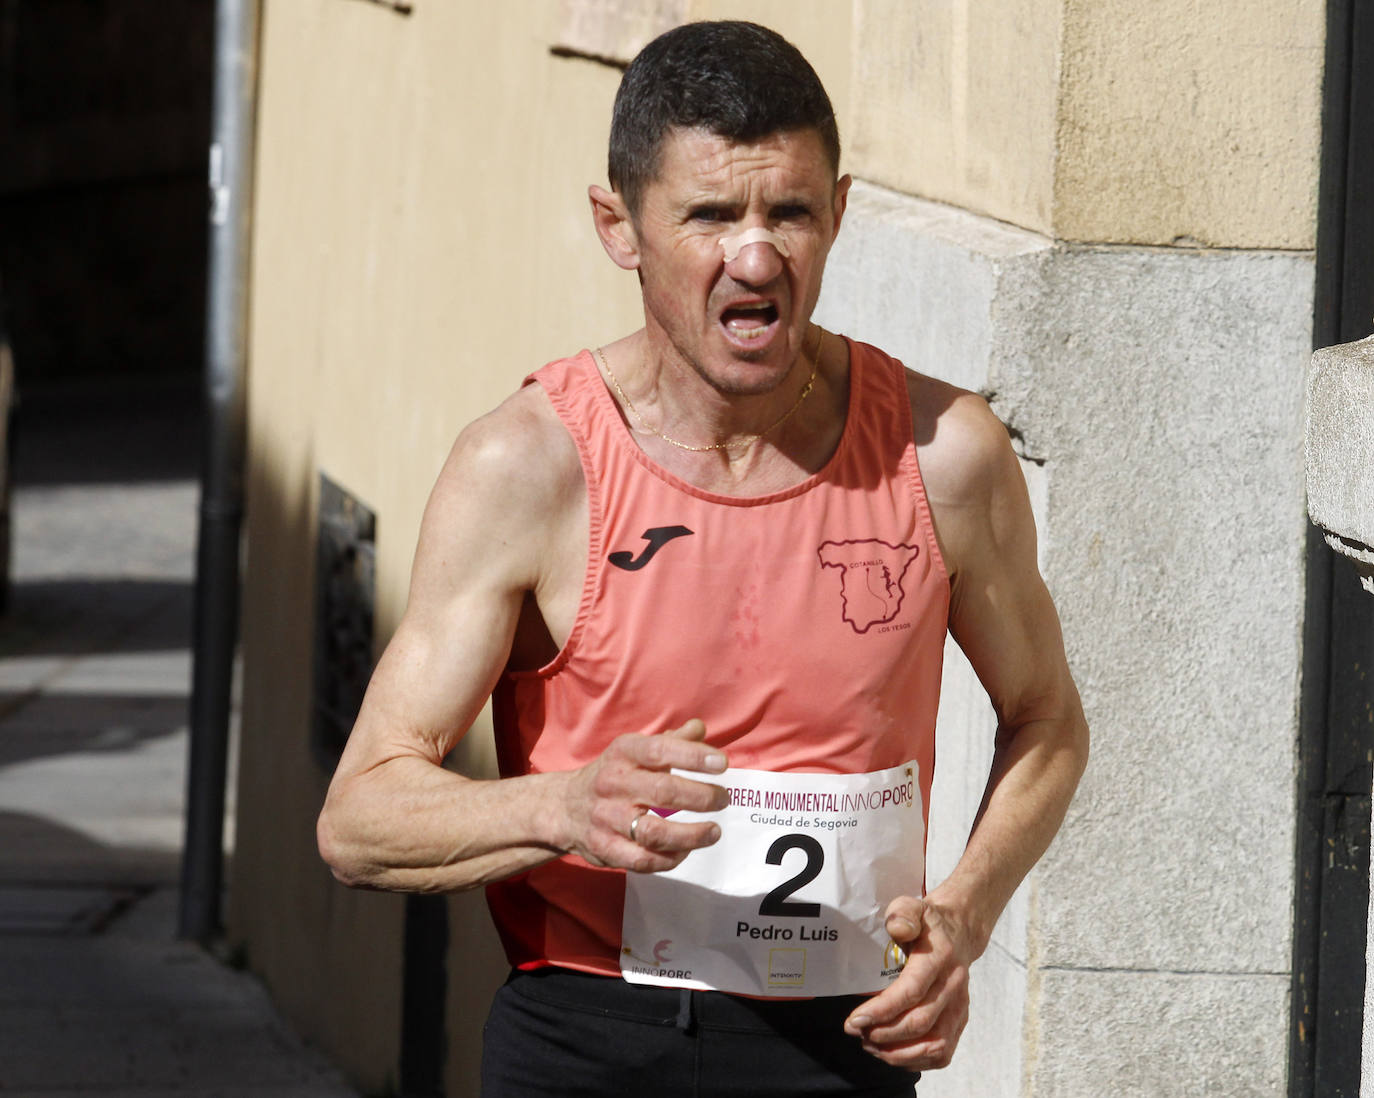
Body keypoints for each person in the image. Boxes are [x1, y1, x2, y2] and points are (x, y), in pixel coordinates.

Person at [318, 19, 1088, 1097]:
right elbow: (359, 819)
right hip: (586, 1031)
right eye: (712, 216)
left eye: (791, 213)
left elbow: (1048, 718)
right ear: (619, 227)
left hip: (841, 1040)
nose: (757, 257)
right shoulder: (530, 467)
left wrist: (965, 913)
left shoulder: (943, 455)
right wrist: (560, 807)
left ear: (840, 213)